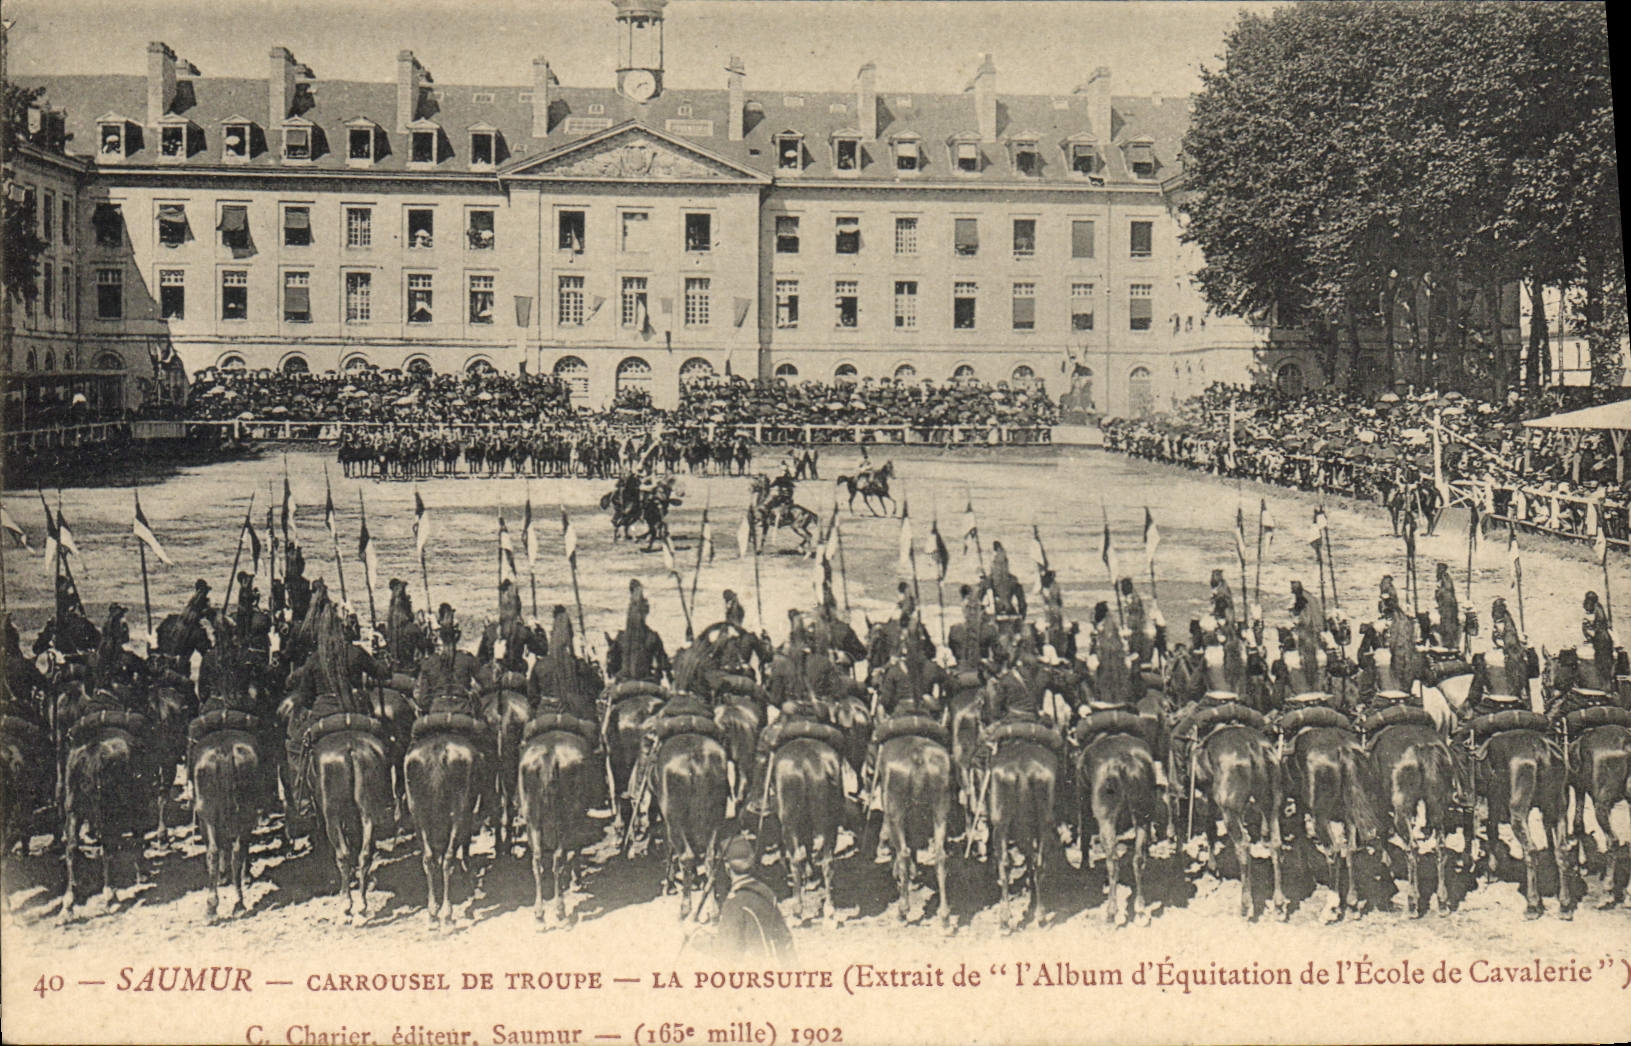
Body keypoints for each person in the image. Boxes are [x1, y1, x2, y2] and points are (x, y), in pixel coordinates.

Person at [713, 835, 794, 961]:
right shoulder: (767, 892)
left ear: (727, 867)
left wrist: (695, 936)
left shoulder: (734, 903)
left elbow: (726, 951)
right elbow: (786, 941)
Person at [1434, 563, 1461, 652]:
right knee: (1446, 622)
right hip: (1446, 604)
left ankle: (1449, 643)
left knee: (1448, 623)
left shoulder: (1445, 578)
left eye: (1439, 569)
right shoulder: (1444, 578)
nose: (1437, 571)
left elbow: (1446, 589)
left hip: (1448, 605)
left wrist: (1439, 593)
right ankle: (1448, 642)